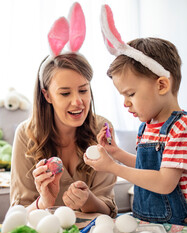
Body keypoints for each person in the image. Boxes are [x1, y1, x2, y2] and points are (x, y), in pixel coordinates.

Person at [84, 5, 187, 230]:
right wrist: (116, 154)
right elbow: (149, 169)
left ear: (162, 85)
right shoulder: (148, 126)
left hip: (183, 228)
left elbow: (165, 182)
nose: (125, 103)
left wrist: (113, 168)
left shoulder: (180, 128)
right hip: (152, 223)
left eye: (131, 94)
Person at [10, 53, 118, 217]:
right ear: (47, 95)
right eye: (65, 93)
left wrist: (87, 199)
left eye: (83, 90)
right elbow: (17, 215)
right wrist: (43, 202)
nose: (77, 101)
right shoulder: (25, 135)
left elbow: (108, 211)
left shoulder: (102, 130)